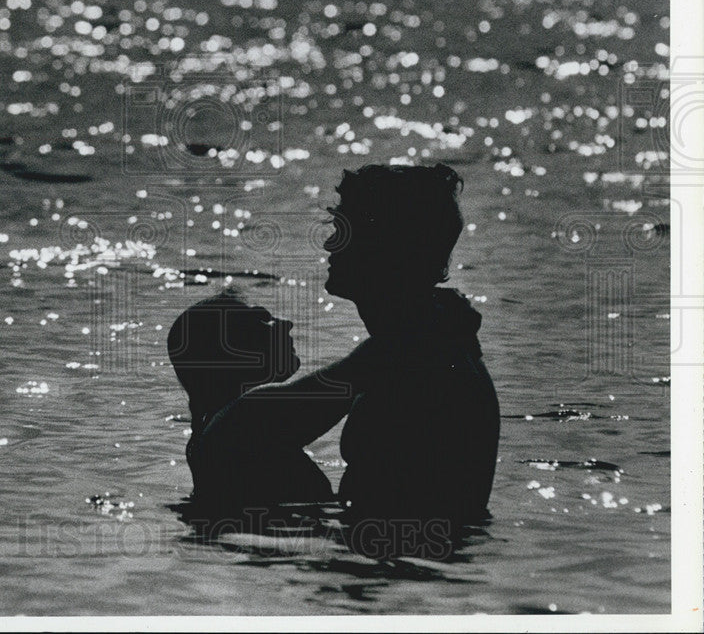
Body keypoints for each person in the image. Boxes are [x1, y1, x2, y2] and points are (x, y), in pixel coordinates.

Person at [194, 164, 500, 556]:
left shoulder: (420, 350)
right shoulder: (418, 340)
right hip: (403, 559)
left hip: (402, 563)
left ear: (385, 246)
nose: (329, 245)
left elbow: (232, 436)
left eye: (342, 230)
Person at [168, 291, 333, 513]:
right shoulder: (246, 414)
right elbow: (366, 367)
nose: (286, 324)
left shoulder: (216, 426)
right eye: (263, 321)